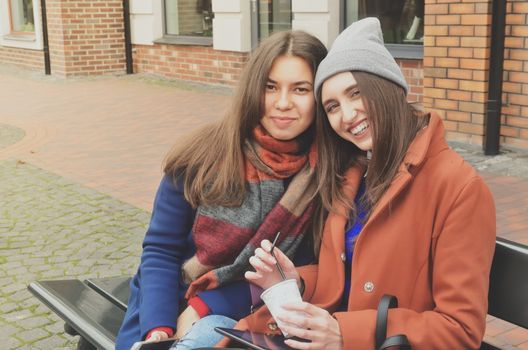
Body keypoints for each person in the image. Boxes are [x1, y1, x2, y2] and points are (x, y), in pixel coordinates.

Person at [241, 17, 496, 349]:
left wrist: (346, 333)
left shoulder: (459, 188)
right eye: (332, 107)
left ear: (388, 87)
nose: (347, 115)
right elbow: (349, 280)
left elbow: (460, 328)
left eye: (356, 93)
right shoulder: (353, 174)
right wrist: (297, 283)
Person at [115, 30, 327, 350]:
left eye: (300, 89)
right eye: (270, 87)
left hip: (254, 312)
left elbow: (306, 272)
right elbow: (160, 251)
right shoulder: (201, 157)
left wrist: (206, 306)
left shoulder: (324, 177)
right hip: (165, 300)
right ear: (252, 90)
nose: (283, 103)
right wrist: (157, 328)